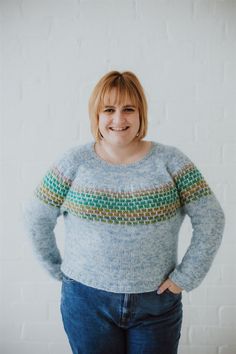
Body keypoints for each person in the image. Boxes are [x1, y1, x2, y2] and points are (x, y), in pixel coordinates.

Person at [23, 70, 225, 354]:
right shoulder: (74, 163)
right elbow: (35, 216)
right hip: (86, 302)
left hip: (156, 303)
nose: (119, 119)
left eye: (128, 109)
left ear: (141, 113)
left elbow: (212, 218)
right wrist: (57, 269)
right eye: (109, 109)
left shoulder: (171, 162)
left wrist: (186, 278)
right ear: (96, 115)